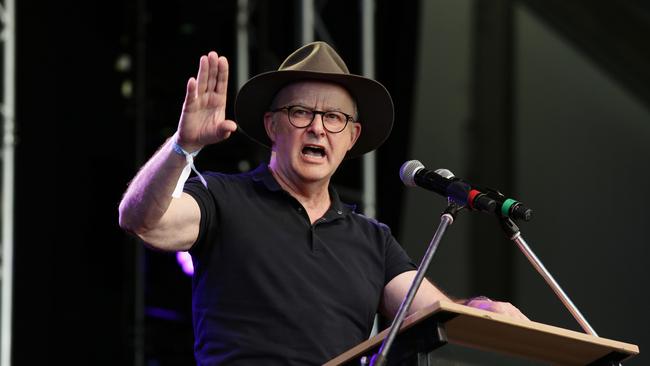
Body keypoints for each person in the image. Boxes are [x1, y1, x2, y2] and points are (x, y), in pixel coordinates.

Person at [118, 41, 527, 365]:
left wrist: (479, 307)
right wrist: (182, 148)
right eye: (300, 112)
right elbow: (143, 221)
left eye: (334, 118)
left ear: (352, 137)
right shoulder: (223, 198)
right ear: (271, 125)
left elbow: (429, 310)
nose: (317, 127)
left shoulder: (371, 239)